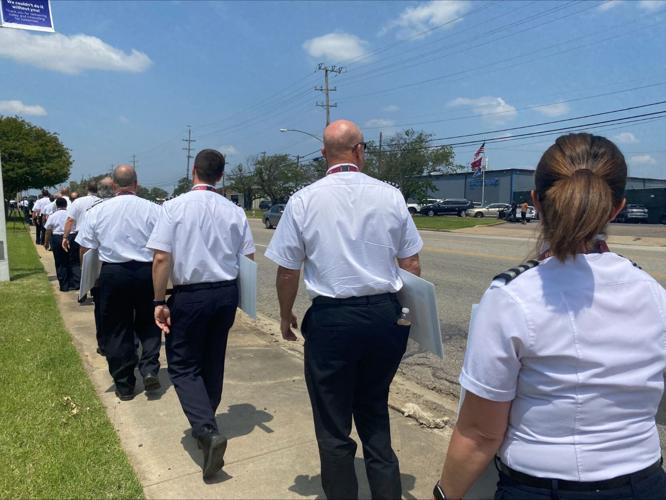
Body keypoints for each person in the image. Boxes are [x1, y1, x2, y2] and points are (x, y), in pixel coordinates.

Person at [434, 133, 666, 500]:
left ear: (536, 203)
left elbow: (480, 433)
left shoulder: (512, 296)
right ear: (617, 208)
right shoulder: (653, 293)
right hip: (644, 483)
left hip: (542, 487)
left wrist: (444, 494)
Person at [265, 119, 423, 500]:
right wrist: (407, 315)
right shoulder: (391, 196)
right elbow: (412, 265)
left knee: (333, 422)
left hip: (332, 321)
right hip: (384, 317)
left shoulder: (303, 199)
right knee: (374, 409)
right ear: (359, 150)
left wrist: (286, 315)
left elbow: (288, 270)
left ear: (323, 154)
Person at [148, 148, 255, 480]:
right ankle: (205, 421)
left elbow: (161, 259)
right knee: (212, 358)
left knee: (182, 365)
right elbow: (248, 257)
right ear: (221, 175)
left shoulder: (174, 207)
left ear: (193, 171)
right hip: (225, 292)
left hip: (190, 294)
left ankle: (206, 429)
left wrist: (158, 301)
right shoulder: (234, 211)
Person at [76, 165, 162, 401]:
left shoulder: (97, 211)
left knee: (117, 327)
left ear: (114, 185)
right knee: (149, 321)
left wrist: (89, 278)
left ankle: (124, 383)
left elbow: (85, 249)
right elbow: (164, 248)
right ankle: (149, 368)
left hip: (113, 272)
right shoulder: (155, 210)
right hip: (147, 271)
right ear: (137, 184)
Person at [43, 197, 74, 292]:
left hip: (57, 238)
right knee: (70, 261)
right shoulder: (70, 214)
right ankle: (72, 283)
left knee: (60, 262)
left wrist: (46, 242)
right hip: (69, 236)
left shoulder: (53, 215)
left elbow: (48, 230)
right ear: (66, 205)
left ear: (56, 205)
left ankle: (64, 285)